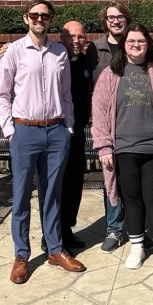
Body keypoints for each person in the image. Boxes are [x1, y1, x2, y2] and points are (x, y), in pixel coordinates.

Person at [0, 0, 86, 284]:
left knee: (53, 195)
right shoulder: (14, 51)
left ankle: (55, 249)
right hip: (25, 131)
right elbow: (2, 95)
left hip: (56, 131)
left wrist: (68, 127)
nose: (39, 19)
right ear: (26, 18)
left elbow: (66, 95)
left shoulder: (60, 52)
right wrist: (10, 131)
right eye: (34, 15)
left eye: (44, 16)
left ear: (51, 20)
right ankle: (21, 255)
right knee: (22, 195)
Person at [91, 24, 153, 275]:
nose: (136, 45)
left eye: (141, 41)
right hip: (123, 148)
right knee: (131, 199)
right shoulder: (111, 73)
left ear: (148, 44)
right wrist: (104, 146)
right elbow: (99, 111)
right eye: (131, 41)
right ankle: (137, 246)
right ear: (124, 45)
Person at [92, 1, 132, 253]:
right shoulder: (95, 50)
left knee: (135, 179)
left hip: (133, 122)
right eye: (111, 18)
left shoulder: (136, 43)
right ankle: (114, 229)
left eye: (120, 17)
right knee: (111, 177)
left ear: (127, 19)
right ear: (105, 21)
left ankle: (138, 227)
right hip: (106, 124)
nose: (115, 21)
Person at [59, 20, 95, 250]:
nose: (76, 40)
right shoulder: (54, 58)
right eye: (72, 36)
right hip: (57, 133)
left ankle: (67, 229)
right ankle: (52, 234)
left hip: (78, 133)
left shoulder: (85, 61)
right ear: (62, 38)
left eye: (81, 36)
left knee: (74, 184)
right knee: (57, 186)